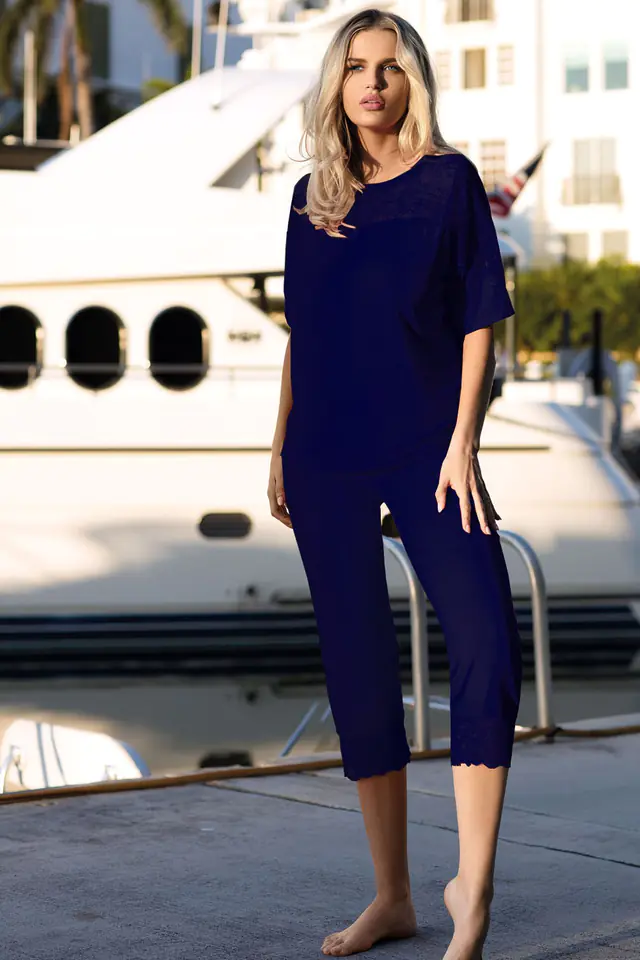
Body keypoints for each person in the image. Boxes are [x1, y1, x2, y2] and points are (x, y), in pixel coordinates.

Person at [267, 9, 522, 959]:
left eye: (389, 66)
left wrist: (464, 442)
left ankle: (474, 890)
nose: (372, 82)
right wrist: (278, 445)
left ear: (413, 80)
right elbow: (304, 335)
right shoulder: (312, 198)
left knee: (487, 639)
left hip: (428, 446)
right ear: (336, 85)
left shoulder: (450, 183)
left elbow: (480, 316)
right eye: (356, 67)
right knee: (358, 667)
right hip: (326, 450)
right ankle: (394, 898)